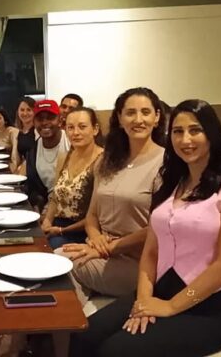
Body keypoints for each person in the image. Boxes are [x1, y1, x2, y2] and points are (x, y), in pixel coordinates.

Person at [70, 99, 221, 357]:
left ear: (212, 134)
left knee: (114, 351)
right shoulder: (174, 182)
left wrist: (170, 307)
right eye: (178, 132)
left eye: (195, 130)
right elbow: (151, 252)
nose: (185, 140)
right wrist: (144, 300)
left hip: (205, 310)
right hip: (158, 291)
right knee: (84, 335)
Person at [59, 88, 165, 302]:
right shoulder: (107, 160)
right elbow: (92, 216)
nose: (138, 120)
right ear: (120, 118)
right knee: (57, 263)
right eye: (130, 113)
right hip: (100, 249)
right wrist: (96, 238)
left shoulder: (166, 163)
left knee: (60, 266)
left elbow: (158, 227)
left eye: (145, 112)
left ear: (156, 117)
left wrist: (109, 247)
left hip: (140, 261)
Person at [41, 107, 103, 249]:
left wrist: (62, 230)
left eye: (82, 127)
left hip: (83, 230)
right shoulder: (64, 157)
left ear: (95, 129)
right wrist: (47, 222)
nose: (75, 133)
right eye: (70, 127)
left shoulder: (102, 160)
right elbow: (55, 197)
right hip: (57, 225)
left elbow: (97, 214)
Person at [25, 100, 71, 211]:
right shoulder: (33, 151)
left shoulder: (71, 143)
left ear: (60, 120)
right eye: (40, 119)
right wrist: (37, 207)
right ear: (34, 122)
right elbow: (34, 189)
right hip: (46, 208)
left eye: (50, 118)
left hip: (70, 208)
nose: (45, 122)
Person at [11, 97, 38, 173]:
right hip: (20, 169)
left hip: (33, 170)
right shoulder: (17, 131)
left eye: (29, 110)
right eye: (22, 110)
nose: (25, 113)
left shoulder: (38, 131)